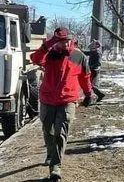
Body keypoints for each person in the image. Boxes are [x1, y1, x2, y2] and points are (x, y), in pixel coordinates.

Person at [30, 28, 95, 180]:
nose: (65, 45)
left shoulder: (79, 56)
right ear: (56, 42)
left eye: (67, 41)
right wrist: (50, 44)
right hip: (47, 99)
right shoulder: (49, 53)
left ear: (72, 41)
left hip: (68, 100)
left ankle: (56, 167)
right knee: (48, 130)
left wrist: (88, 94)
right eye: (61, 42)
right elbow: (35, 59)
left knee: (60, 132)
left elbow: (85, 77)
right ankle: (50, 153)